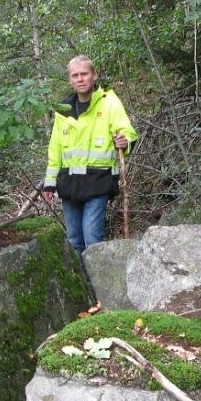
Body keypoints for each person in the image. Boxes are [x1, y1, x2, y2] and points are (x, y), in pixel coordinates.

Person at [41, 55, 137, 257]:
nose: (80, 79)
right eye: (75, 75)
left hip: (98, 182)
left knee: (92, 240)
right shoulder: (63, 111)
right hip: (69, 185)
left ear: (94, 75)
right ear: (70, 80)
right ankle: (83, 287)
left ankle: (99, 286)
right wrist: (49, 183)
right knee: (74, 240)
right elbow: (55, 149)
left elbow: (126, 131)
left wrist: (124, 141)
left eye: (84, 74)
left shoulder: (109, 102)